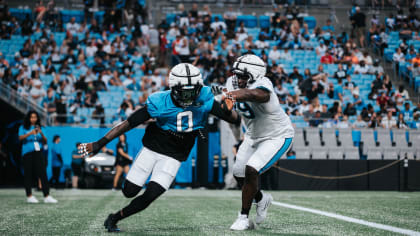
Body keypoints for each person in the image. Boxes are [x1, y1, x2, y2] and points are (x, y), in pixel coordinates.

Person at [78, 63, 240, 232]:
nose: (189, 96)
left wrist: (228, 107)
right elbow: (128, 124)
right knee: (129, 191)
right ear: (173, 88)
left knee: (151, 195)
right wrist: (99, 143)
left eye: (192, 91)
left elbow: (234, 119)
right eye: (184, 91)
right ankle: (122, 201)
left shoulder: (206, 96)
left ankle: (115, 218)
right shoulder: (160, 102)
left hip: (175, 155)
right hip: (153, 148)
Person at [222, 54, 294, 230]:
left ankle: (243, 218)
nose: (238, 79)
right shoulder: (232, 83)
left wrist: (230, 96)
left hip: (277, 136)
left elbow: (256, 94)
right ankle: (261, 199)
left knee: (251, 168)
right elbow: (232, 113)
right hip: (252, 136)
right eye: (237, 75)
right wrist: (221, 109)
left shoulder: (263, 84)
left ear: (254, 75)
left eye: (243, 76)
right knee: (238, 173)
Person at [18, 111, 57, 203]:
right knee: (28, 174)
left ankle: (47, 196)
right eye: (31, 117)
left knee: (42, 173)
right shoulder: (23, 127)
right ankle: (29, 196)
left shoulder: (41, 127)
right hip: (27, 153)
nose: (33, 119)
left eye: (35, 117)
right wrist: (30, 133)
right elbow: (20, 138)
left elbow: (45, 141)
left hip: (38, 152)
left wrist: (41, 133)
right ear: (28, 118)